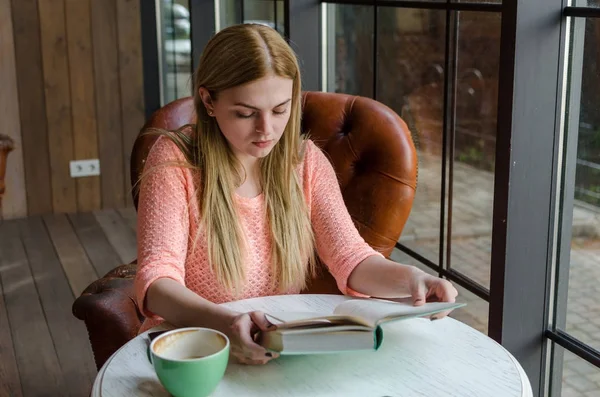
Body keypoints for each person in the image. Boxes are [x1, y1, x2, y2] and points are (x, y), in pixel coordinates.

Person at [134, 23, 458, 366]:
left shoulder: (305, 163)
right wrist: (223, 324)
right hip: (187, 351)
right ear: (209, 100)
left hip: (269, 352)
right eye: (246, 113)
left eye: (280, 110)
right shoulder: (175, 159)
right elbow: (156, 281)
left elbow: (351, 257)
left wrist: (412, 280)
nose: (267, 130)